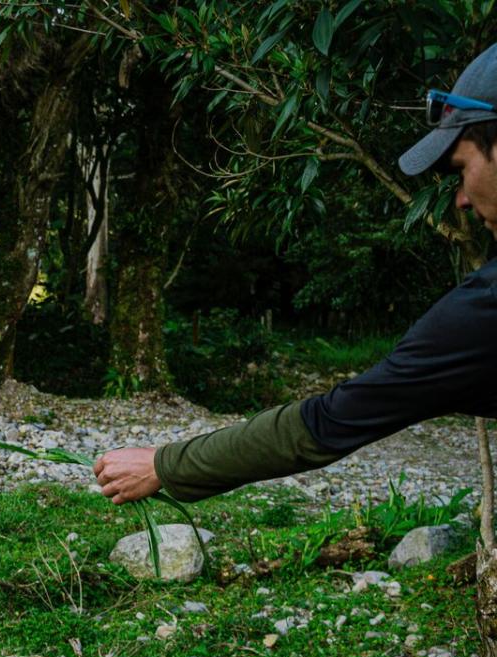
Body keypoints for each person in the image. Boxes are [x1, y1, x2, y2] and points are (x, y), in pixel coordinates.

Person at [92, 43, 497, 506]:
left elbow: (332, 420)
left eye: (462, 168)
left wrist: (163, 465)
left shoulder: (484, 311)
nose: (461, 200)